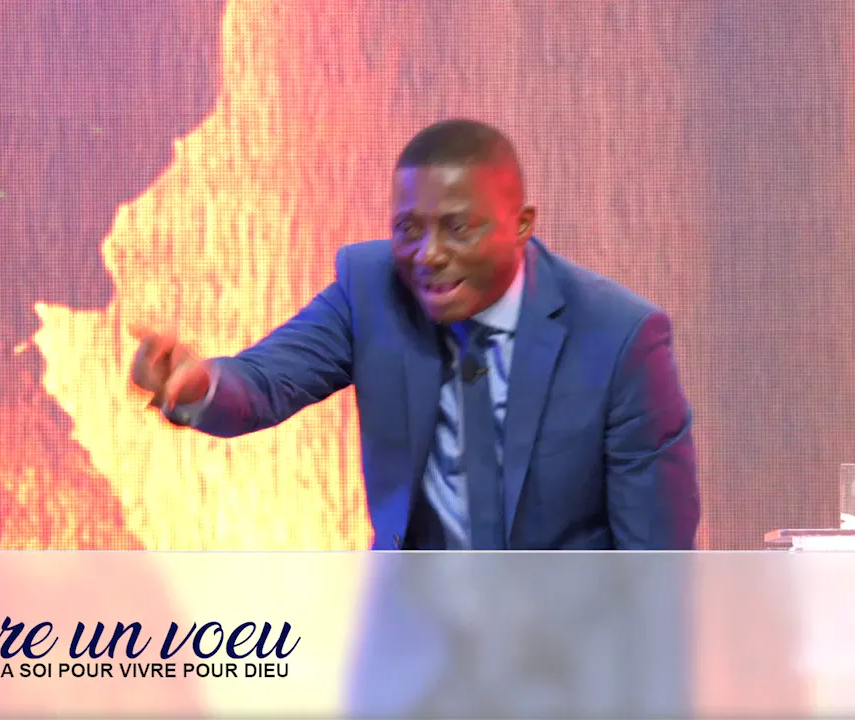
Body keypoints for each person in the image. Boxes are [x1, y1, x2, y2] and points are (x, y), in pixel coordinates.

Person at [131, 119, 700, 550]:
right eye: (409, 229)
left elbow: (653, 560)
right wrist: (201, 384)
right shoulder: (370, 290)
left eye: (458, 228)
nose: (428, 254)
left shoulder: (620, 339)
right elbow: (263, 383)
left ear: (522, 225)